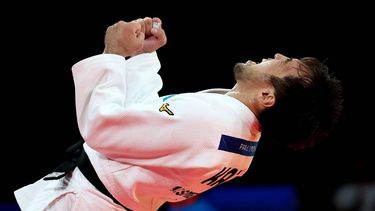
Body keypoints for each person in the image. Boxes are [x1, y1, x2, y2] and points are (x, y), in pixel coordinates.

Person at [14, 16, 343, 211]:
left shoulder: (212, 121)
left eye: (287, 64)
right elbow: (145, 118)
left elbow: (101, 129)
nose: (279, 54)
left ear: (268, 95)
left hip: (82, 202)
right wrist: (142, 56)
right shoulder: (240, 138)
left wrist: (113, 54)